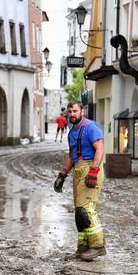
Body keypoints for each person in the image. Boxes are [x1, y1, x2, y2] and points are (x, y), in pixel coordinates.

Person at [53, 100, 107, 261]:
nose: (72, 114)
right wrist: (63, 174)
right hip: (78, 168)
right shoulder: (72, 132)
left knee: (86, 209)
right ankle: (83, 247)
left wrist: (94, 171)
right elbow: (71, 155)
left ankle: (97, 246)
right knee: (79, 211)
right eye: (69, 112)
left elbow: (100, 148)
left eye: (75, 111)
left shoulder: (91, 127)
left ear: (81, 111)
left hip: (91, 167)